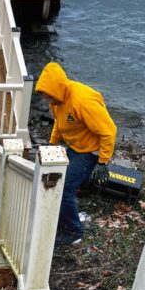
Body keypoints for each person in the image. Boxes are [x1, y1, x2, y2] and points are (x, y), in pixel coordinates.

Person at [35, 62, 117, 246]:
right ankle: (66, 212)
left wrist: (103, 162)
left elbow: (109, 131)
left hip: (91, 150)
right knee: (61, 180)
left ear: (57, 90)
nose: (49, 102)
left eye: (49, 98)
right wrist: (52, 143)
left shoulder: (83, 101)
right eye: (46, 98)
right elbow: (58, 122)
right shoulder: (58, 100)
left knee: (65, 189)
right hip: (75, 146)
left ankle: (74, 231)